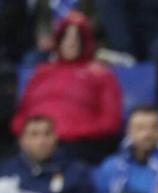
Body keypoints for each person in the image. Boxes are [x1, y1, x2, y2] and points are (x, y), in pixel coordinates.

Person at [10, 13, 122, 166]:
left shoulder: (101, 74)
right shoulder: (41, 72)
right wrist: (26, 133)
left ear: (86, 42)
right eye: (67, 37)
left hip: (77, 144)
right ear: (59, 40)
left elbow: (110, 122)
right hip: (33, 142)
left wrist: (71, 132)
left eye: (77, 38)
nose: (72, 43)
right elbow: (21, 113)